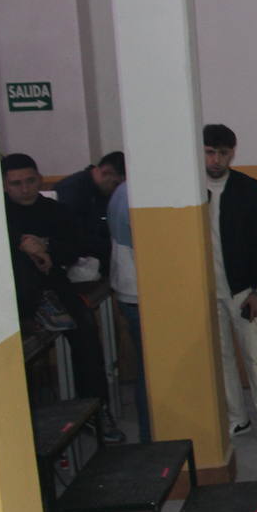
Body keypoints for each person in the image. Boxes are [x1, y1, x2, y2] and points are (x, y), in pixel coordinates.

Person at [3, 153, 118, 435]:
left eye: (30, 181)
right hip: (13, 294)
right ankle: (21, 424)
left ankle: (95, 411)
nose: (25, 188)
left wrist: (45, 246)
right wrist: (24, 246)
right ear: (4, 186)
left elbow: (76, 247)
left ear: (39, 179)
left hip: (56, 286)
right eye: (16, 183)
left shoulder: (55, 210)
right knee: (17, 355)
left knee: (87, 335)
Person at [202, 124, 257, 446]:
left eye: (223, 153)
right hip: (205, 291)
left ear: (232, 153)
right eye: (210, 152)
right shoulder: (190, 191)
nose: (216, 160)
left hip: (243, 290)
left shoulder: (248, 189)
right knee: (222, 357)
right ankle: (237, 419)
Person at [106, 182, 150, 442]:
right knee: (152, 372)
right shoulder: (136, 194)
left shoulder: (122, 190)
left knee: (148, 369)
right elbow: (146, 250)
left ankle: (152, 434)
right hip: (140, 294)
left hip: (131, 291)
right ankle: (152, 436)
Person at [54, 151, 125, 269]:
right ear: (105, 172)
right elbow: (75, 236)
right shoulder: (72, 191)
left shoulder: (97, 189)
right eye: (116, 184)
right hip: (79, 261)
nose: (117, 191)